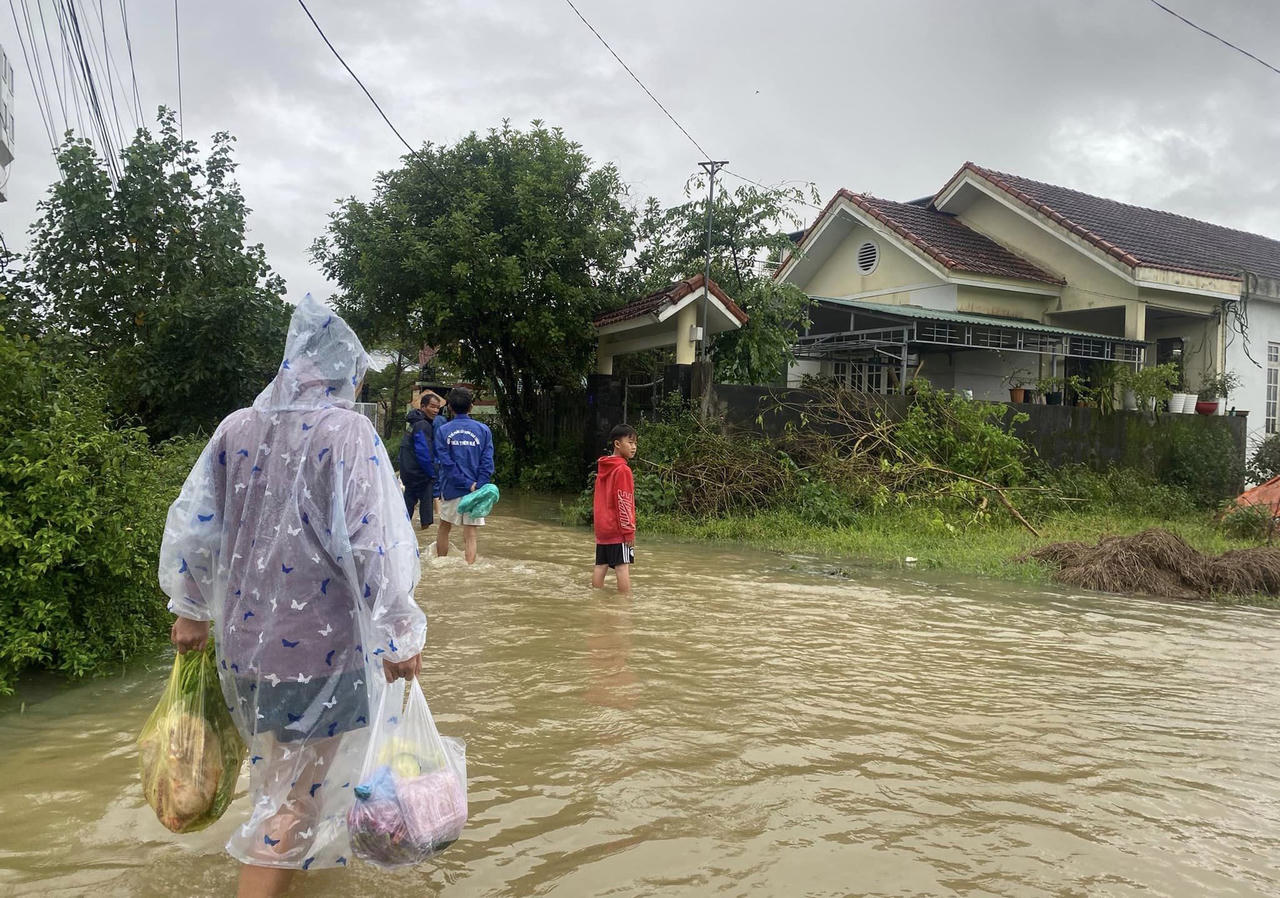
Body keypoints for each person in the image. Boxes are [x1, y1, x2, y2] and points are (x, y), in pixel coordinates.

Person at [159, 293, 426, 898]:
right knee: (293, 806)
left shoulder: (237, 428)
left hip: (248, 651)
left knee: (277, 785)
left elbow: (196, 525)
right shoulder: (348, 432)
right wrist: (399, 633)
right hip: (320, 656)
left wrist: (190, 607)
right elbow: (374, 543)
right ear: (342, 375)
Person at [434, 386, 494, 565]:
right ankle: (469, 569)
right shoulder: (483, 430)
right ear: (472, 407)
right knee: (471, 533)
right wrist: (478, 485)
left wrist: (467, 483)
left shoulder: (443, 431)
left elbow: (446, 464)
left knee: (444, 526)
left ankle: (440, 566)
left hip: (451, 488)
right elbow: (487, 461)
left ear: (450, 407)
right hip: (476, 490)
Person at [592, 424, 637, 593]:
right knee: (622, 567)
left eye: (635, 443)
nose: (633, 447)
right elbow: (624, 502)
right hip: (618, 530)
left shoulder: (603, 468)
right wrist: (628, 532)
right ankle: (624, 606)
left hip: (602, 529)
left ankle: (595, 600)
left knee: (600, 566)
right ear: (617, 444)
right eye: (630, 442)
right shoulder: (623, 469)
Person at [399, 395, 436, 528]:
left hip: (407, 472)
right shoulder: (422, 425)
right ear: (423, 407)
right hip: (420, 473)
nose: (436, 410)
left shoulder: (413, 423)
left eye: (437, 407)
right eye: (432, 406)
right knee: (426, 511)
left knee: (407, 507)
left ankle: (401, 532)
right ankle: (426, 532)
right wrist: (432, 473)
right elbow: (424, 452)